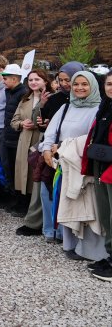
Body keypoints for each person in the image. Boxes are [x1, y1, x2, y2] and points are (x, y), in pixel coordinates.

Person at [42, 71, 104, 260]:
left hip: (83, 165)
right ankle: (69, 243)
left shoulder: (99, 109)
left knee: (86, 205)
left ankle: (88, 249)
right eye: (76, 84)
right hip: (63, 163)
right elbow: (51, 131)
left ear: (93, 86)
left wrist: (63, 146)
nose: (79, 88)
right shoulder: (66, 107)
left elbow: (92, 138)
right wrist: (46, 149)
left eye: (84, 84)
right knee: (67, 201)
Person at [12, 69, 52, 234]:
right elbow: (14, 120)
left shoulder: (51, 98)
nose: (33, 82)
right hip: (24, 140)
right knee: (25, 173)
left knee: (36, 175)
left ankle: (35, 214)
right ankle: (27, 205)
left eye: (37, 79)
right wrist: (22, 124)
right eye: (30, 80)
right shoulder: (25, 99)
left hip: (40, 139)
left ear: (45, 81)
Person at [83, 73, 112, 280]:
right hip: (102, 165)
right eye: (109, 84)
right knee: (106, 214)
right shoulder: (105, 107)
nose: (111, 88)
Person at [0, 64, 27, 213]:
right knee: (10, 170)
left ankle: (22, 203)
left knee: (18, 172)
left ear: (14, 79)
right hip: (9, 137)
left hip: (17, 138)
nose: (3, 81)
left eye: (5, 78)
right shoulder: (10, 92)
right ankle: (15, 200)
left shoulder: (22, 93)